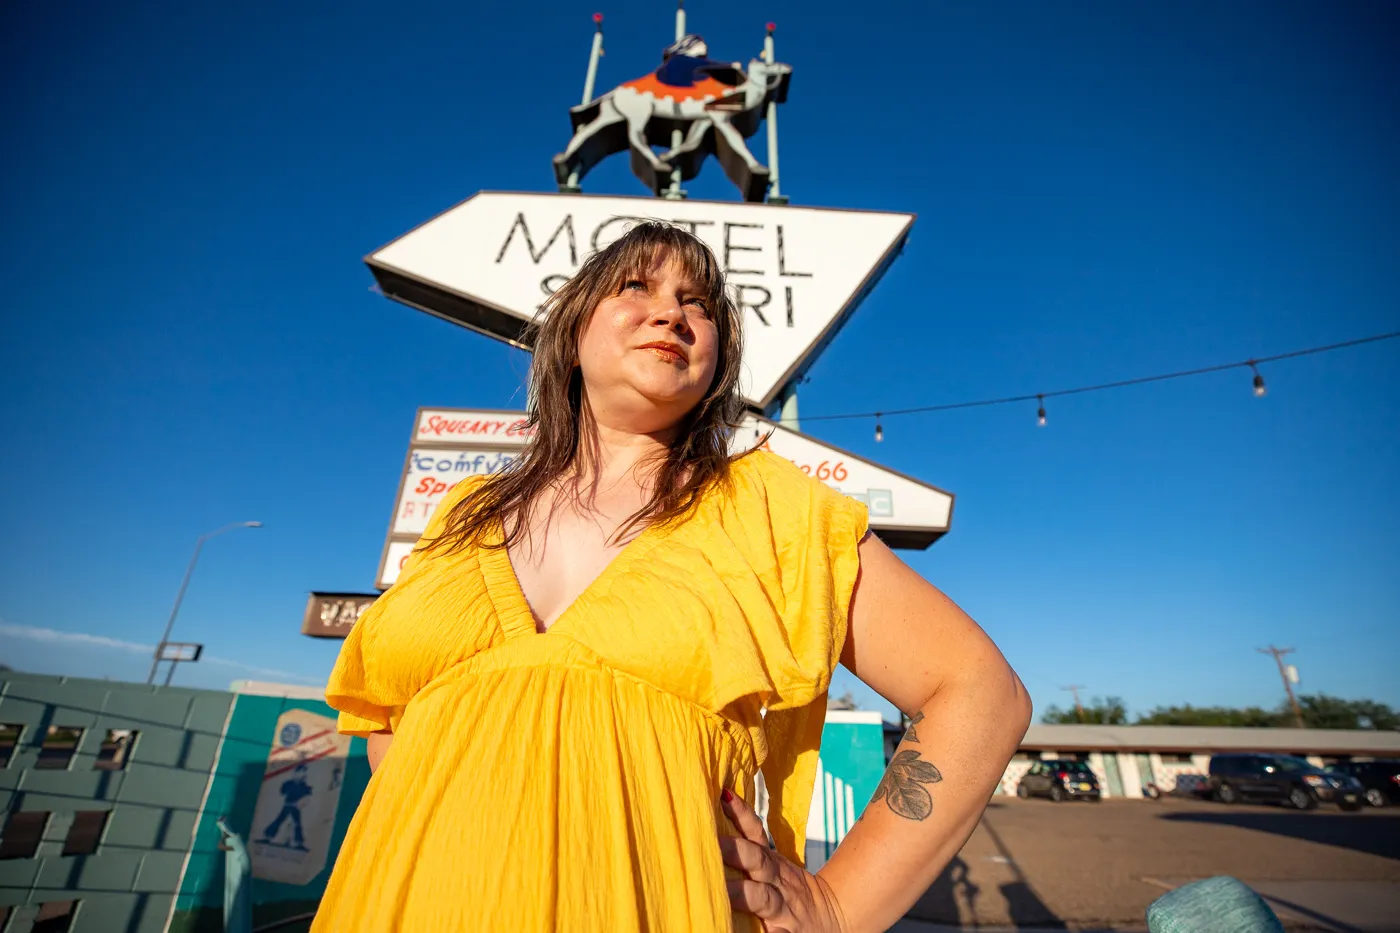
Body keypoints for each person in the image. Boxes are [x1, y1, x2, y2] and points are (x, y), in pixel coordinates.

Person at [314, 222, 1031, 932]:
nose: (672, 312)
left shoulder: (774, 510)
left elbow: (979, 693)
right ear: (571, 331)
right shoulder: (461, 516)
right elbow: (387, 719)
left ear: (718, 359)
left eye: (700, 304)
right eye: (636, 286)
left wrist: (838, 904)